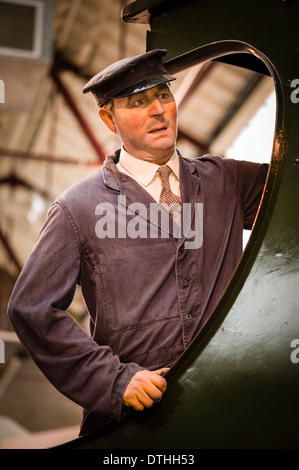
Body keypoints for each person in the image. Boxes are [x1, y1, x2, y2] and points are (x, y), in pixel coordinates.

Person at [8, 49, 268, 436]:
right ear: (109, 118)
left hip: (228, 409)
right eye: (139, 102)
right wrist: (114, 381)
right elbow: (31, 309)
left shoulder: (226, 181)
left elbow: (292, 182)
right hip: (136, 425)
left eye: (164, 95)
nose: (158, 109)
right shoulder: (77, 208)